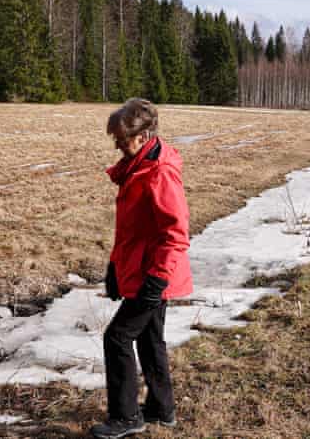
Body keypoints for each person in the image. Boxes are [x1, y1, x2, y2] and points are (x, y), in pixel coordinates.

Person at [90, 98, 193, 439]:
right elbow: (134, 233)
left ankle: (126, 417)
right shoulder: (139, 167)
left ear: (144, 135)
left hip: (156, 275)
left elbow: (175, 234)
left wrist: (157, 278)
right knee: (150, 341)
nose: (116, 143)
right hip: (146, 271)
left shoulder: (159, 172)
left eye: (122, 136)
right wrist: (115, 268)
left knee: (117, 337)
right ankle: (162, 410)